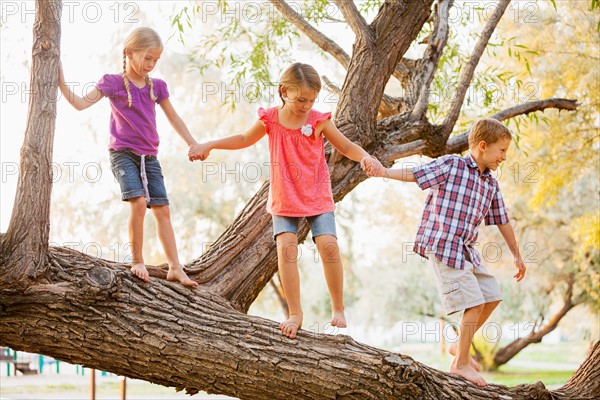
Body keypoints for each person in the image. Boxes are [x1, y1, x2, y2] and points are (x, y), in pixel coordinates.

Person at [189, 63, 374, 339]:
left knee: (329, 245)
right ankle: (295, 313)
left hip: (316, 194)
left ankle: (338, 307)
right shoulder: (271, 119)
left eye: (311, 100)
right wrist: (210, 144)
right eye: (301, 99)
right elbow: (242, 138)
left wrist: (366, 158)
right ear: (284, 91)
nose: (306, 105)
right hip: (285, 195)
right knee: (286, 249)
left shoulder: (319, 120)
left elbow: (346, 146)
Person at [366, 118, 526, 387]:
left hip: (465, 250)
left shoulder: (490, 184)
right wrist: (383, 171)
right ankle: (460, 364)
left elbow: (502, 220)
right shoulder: (452, 165)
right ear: (483, 146)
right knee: (473, 303)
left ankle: (456, 345)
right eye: (502, 151)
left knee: (492, 296)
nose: (504, 157)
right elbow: (417, 174)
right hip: (442, 246)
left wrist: (517, 254)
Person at [58, 27, 198, 287]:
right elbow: (79, 104)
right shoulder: (112, 83)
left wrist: (192, 143)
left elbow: (174, 117)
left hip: (150, 157)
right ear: (129, 53)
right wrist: (61, 81)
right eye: (147, 58)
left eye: (156, 60)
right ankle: (137, 260)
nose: (151, 64)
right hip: (123, 155)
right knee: (138, 202)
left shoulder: (157, 87)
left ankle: (175, 267)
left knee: (163, 209)